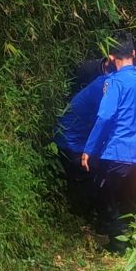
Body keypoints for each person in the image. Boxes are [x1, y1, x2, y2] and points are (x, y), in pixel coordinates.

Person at [81, 33, 136, 254]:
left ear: (111, 57)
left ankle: (119, 246)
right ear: (134, 54)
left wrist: (88, 149)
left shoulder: (114, 83)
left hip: (116, 152)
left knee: (108, 198)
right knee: (130, 200)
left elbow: (104, 116)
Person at [54, 69, 112, 220]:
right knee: (106, 168)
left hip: (76, 138)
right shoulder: (105, 88)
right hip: (71, 142)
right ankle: (93, 216)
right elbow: (106, 123)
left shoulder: (105, 82)